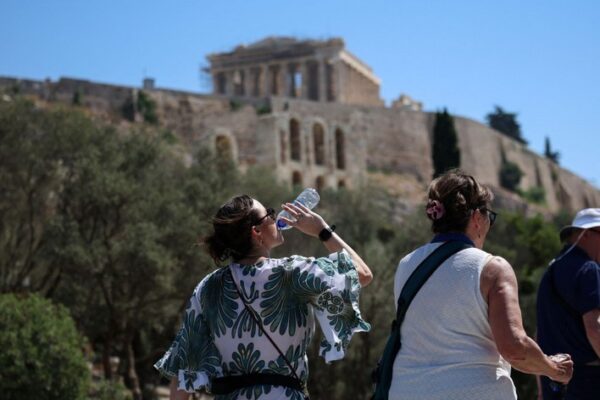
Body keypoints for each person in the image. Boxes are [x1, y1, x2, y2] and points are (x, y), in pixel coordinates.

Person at [154, 194, 373, 399]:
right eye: (269, 213)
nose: (275, 217)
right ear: (256, 232)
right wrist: (322, 230)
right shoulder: (293, 274)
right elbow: (362, 275)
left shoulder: (208, 288)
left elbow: (183, 373)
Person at [387, 170, 573, 400]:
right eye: (490, 218)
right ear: (476, 217)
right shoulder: (492, 268)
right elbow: (514, 348)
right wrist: (554, 369)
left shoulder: (406, 265)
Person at [536, 208, 600, 399]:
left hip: (552, 381)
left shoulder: (551, 270)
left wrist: (541, 388)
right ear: (586, 234)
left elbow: (539, 333)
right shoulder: (589, 269)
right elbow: (595, 328)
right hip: (587, 382)